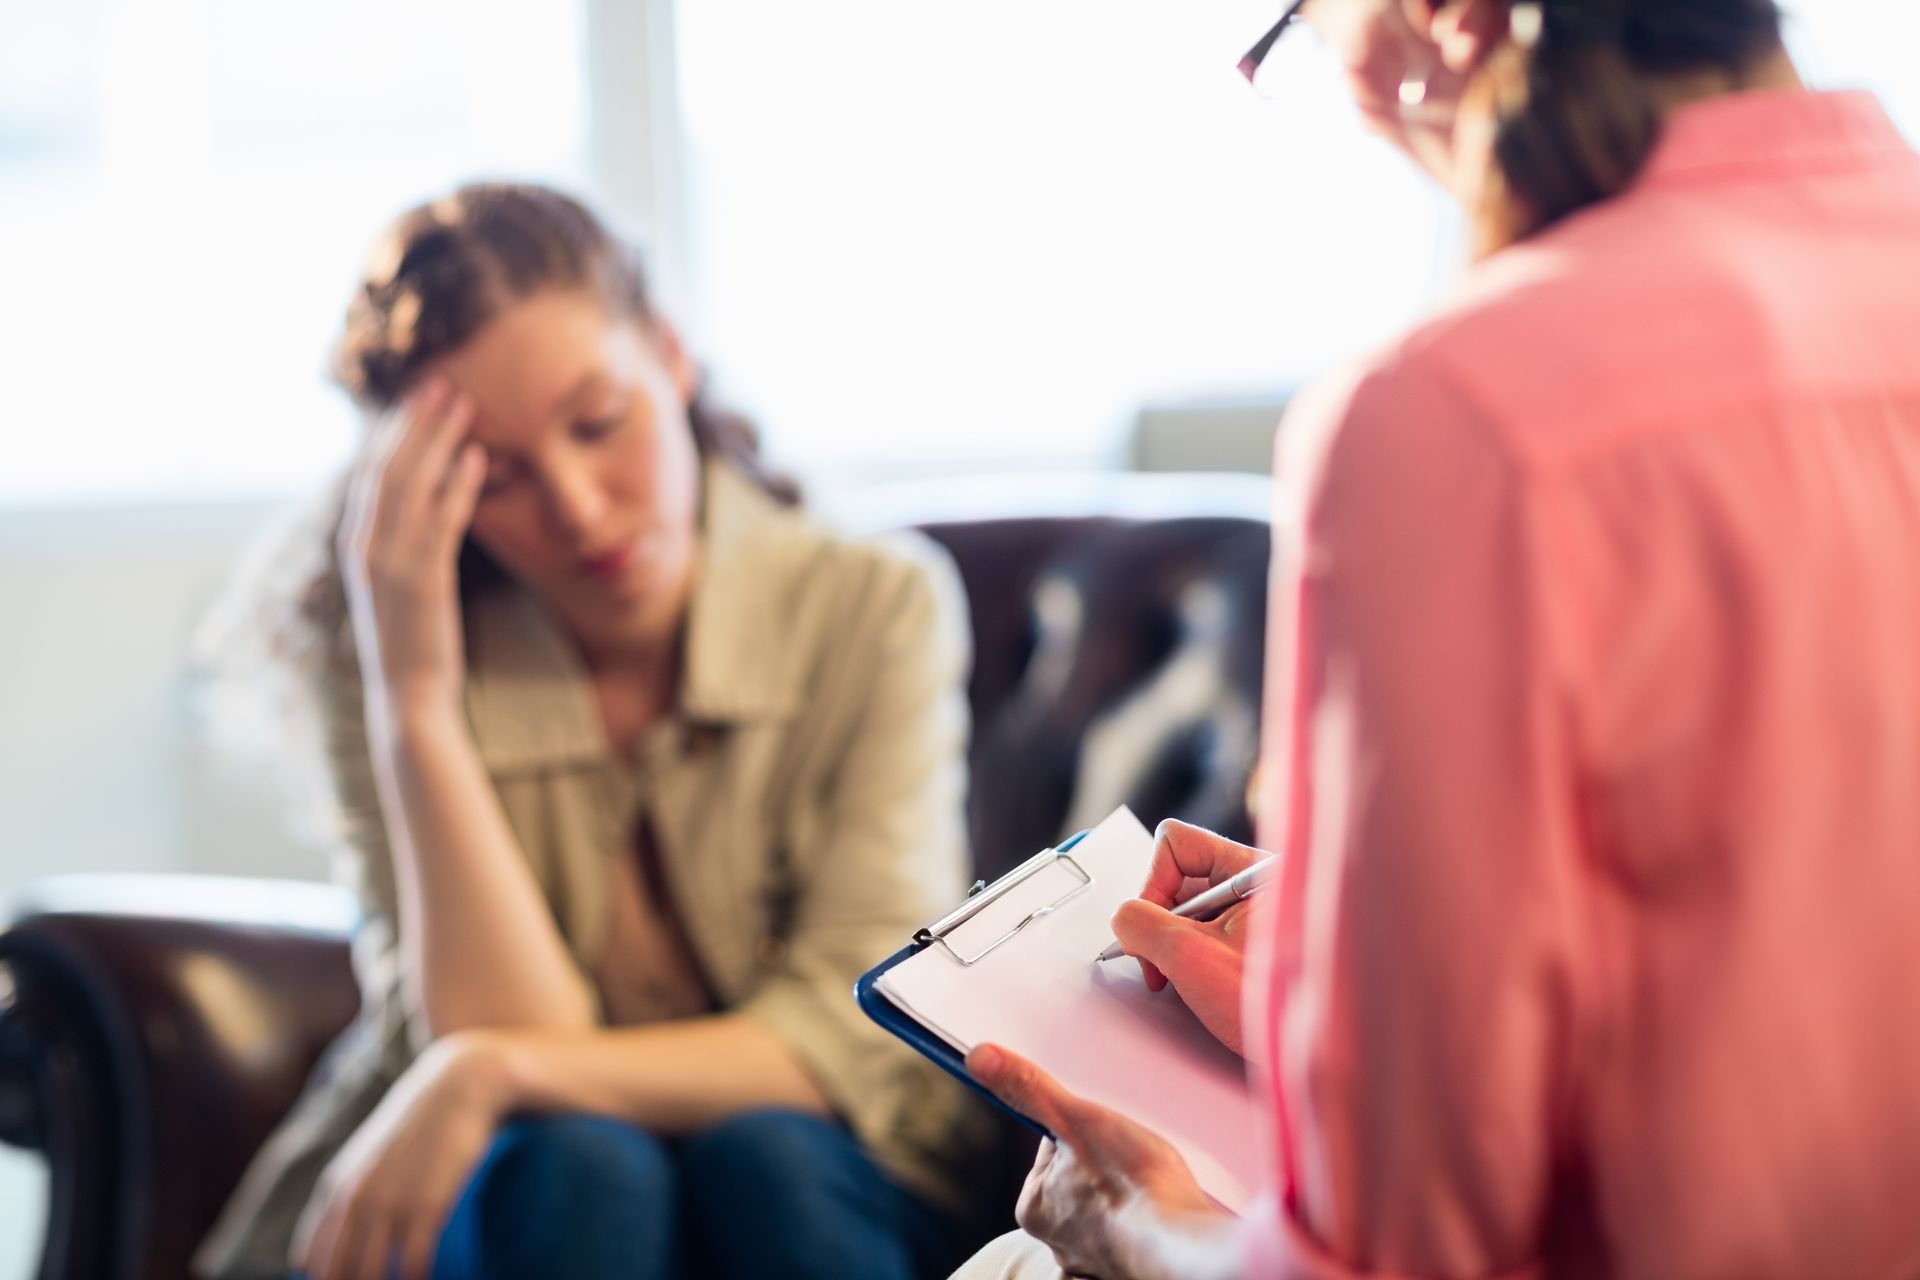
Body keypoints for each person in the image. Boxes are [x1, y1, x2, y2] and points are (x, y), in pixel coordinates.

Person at [953, 0, 1920, 1276]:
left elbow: (1401, 1254)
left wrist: (1135, 1222)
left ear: (1450, 17)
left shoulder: (1457, 411)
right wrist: (1349, 975)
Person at [192, 182, 990, 1280]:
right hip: (523, 1193)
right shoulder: (384, 648)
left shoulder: (876, 603)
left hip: (825, 1178)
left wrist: (487, 1070)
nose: (575, 505)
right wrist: (415, 701)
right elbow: (492, 1022)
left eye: (599, 422)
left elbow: (853, 1027)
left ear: (669, 355)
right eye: (499, 476)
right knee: (582, 1162)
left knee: (766, 1154)